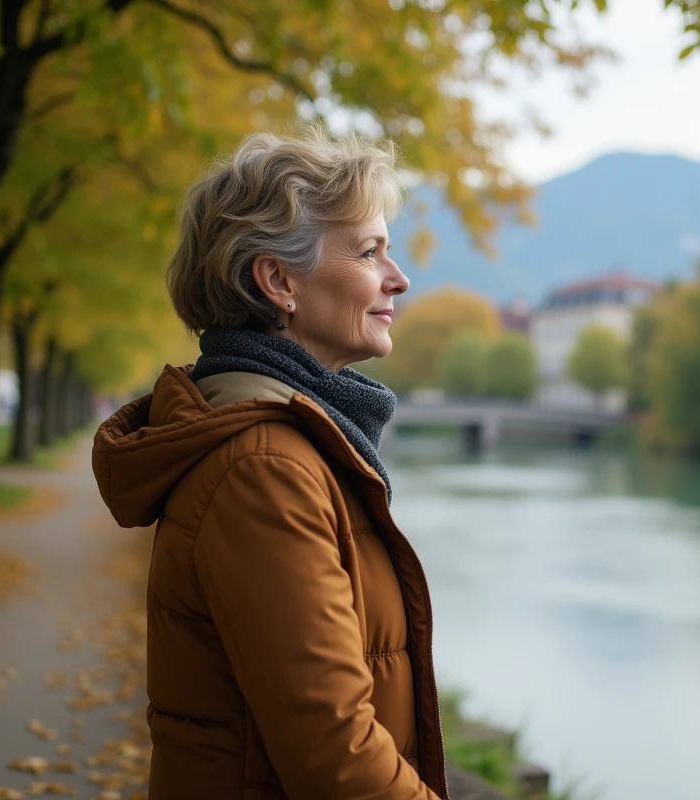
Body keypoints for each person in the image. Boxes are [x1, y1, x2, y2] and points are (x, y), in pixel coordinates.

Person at [91, 127, 446, 799]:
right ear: (278, 280)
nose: (398, 279)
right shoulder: (264, 468)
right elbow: (336, 754)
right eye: (370, 252)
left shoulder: (287, 445)